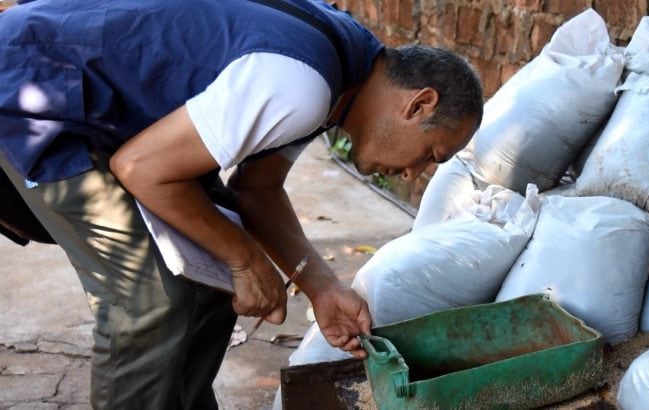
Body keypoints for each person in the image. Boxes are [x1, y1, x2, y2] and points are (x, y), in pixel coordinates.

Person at [0, 0, 484, 408]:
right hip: (35, 90)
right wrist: (245, 258)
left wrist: (320, 287)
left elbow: (257, 189)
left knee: (208, 276)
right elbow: (141, 169)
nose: (412, 174)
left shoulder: (347, 69)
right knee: (149, 298)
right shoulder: (302, 84)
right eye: (429, 155)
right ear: (417, 104)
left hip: (95, 108)